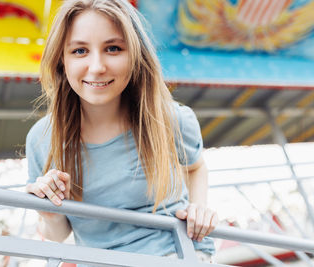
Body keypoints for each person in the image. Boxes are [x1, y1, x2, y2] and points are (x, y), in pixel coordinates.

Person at [25, 0, 218, 264]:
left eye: (113, 48)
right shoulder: (41, 140)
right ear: (61, 59)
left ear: (135, 55)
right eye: (80, 50)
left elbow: (196, 167)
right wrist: (49, 209)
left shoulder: (170, 119)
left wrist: (199, 207)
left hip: (174, 255)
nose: (96, 67)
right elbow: (58, 235)